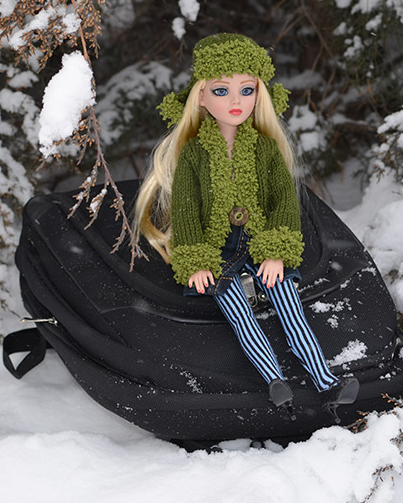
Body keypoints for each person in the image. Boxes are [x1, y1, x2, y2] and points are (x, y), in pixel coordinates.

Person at [133, 33, 358, 416]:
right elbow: (186, 213)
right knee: (239, 312)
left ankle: (326, 381)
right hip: (218, 253)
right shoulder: (194, 156)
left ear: (260, 94)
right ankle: (275, 382)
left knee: (289, 304)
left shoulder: (266, 150)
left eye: (246, 89)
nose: (236, 102)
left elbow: (283, 206)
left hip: (260, 244)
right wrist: (197, 260)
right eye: (221, 90)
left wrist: (276, 252)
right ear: (201, 97)